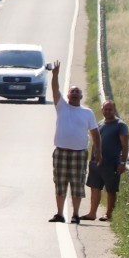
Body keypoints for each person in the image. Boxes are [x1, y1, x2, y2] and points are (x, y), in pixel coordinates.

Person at [48, 60, 101, 224]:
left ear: (81, 96)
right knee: (60, 183)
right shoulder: (62, 106)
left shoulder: (87, 113)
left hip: (79, 153)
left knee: (77, 184)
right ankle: (59, 213)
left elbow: (95, 133)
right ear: (68, 95)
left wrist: (98, 151)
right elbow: (55, 90)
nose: (75, 94)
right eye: (72, 92)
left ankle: (76, 214)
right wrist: (55, 75)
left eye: (78, 92)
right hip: (61, 151)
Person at [80, 99, 129, 222]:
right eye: (105, 109)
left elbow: (125, 145)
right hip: (96, 163)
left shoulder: (120, 125)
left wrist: (122, 163)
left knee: (111, 190)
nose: (107, 111)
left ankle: (108, 214)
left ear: (114, 110)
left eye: (110, 109)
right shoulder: (100, 124)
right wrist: (91, 160)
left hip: (112, 163)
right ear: (102, 110)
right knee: (95, 188)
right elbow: (94, 143)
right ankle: (92, 213)